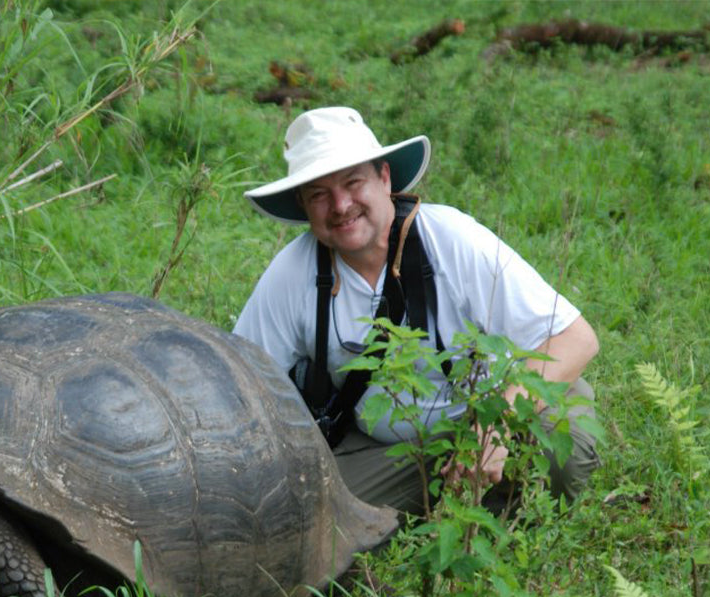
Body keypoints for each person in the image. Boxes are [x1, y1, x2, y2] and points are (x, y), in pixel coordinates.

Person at [233, 106, 600, 515]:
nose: (340, 205)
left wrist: (494, 428)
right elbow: (240, 383)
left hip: (496, 413)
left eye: (353, 182)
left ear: (384, 178)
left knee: (560, 455)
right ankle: (438, 508)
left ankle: (486, 512)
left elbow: (576, 339)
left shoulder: (453, 239)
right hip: (388, 446)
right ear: (303, 205)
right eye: (319, 194)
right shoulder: (291, 274)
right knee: (320, 525)